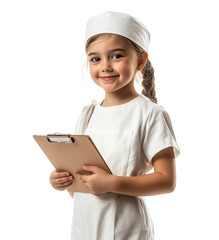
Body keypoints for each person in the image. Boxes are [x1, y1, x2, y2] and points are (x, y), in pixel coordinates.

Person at [49, 11, 180, 240]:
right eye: (95, 58)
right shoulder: (87, 114)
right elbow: (81, 180)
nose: (105, 66)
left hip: (126, 229)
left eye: (116, 56)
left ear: (140, 60)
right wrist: (65, 180)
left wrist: (110, 183)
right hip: (84, 227)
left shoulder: (150, 114)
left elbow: (166, 180)